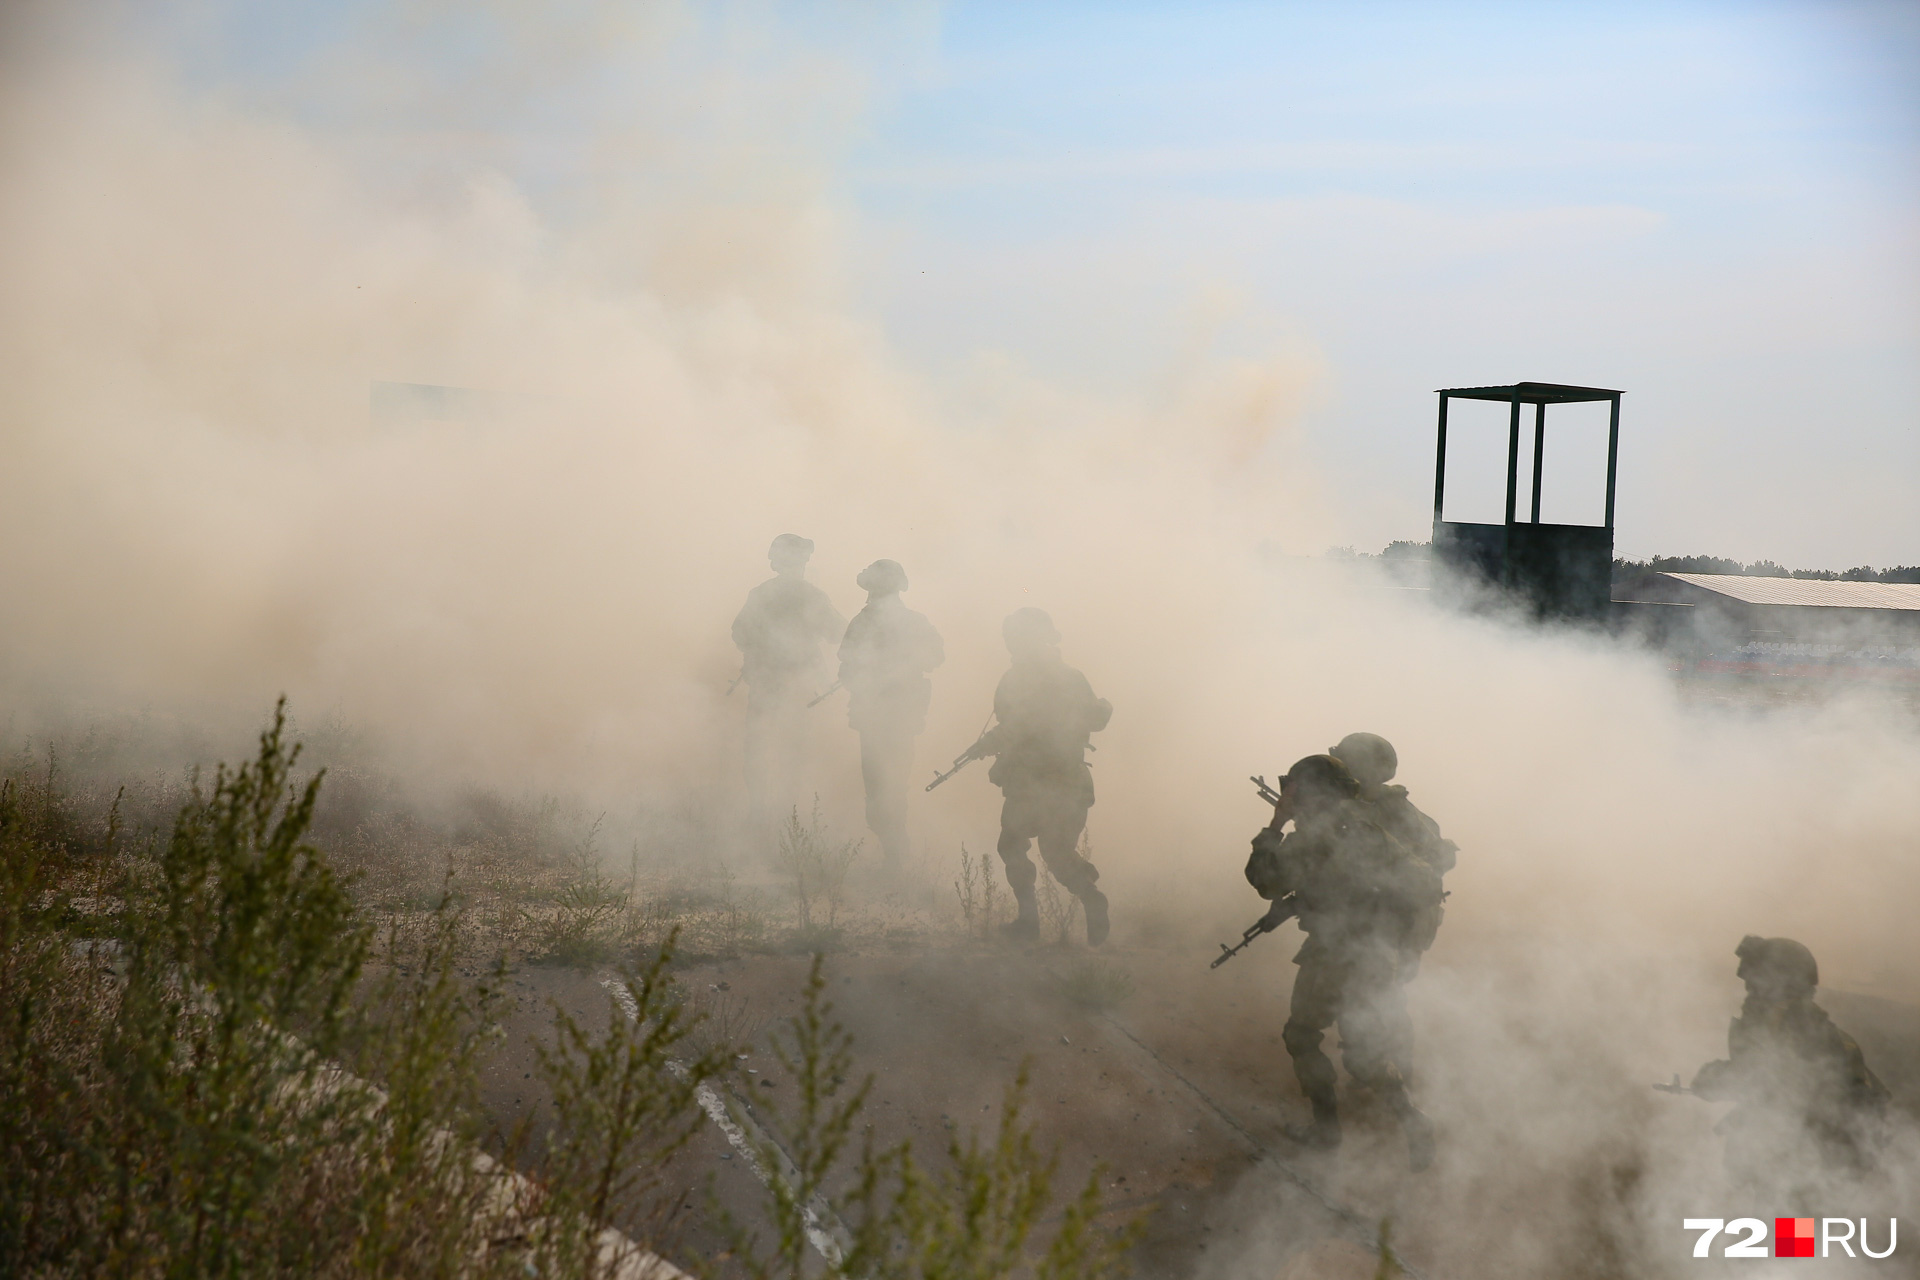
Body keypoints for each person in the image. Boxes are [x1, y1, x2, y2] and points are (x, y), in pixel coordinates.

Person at [1244, 754, 1446, 1171]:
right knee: (1364, 1058)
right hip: (1378, 954)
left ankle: (1326, 1131)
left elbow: (1264, 881)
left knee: (1301, 1035)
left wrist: (1276, 825)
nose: (1288, 794)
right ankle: (1415, 1124)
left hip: (1335, 955)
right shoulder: (1368, 825)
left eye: (1293, 788)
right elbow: (1353, 884)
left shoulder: (1314, 833)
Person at [1688, 936, 1888, 1196]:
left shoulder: (1800, 1027)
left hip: (1803, 1163)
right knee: (1776, 1229)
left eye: (1755, 984)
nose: (1748, 992)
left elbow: (1780, 1080)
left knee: (1793, 1233)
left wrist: (1720, 1079)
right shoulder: (1791, 1024)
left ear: (1780, 983)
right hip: (1792, 1162)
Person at [967, 608, 1112, 945]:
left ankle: (1030, 922)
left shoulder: (1024, 680)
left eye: (1015, 638)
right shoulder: (1069, 677)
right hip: (1062, 782)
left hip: (1036, 783)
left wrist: (991, 746)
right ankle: (1086, 901)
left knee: (1018, 846)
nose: (1010, 645)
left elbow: (1020, 726)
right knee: (1055, 853)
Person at [837, 559, 944, 871]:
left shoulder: (866, 621)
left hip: (887, 719)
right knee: (890, 786)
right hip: (888, 719)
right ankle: (896, 855)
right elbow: (848, 664)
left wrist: (896, 663)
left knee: (884, 789)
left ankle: (897, 859)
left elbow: (934, 656)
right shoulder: (910, 621)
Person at [731, 535, 844, 827]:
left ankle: (758, 812)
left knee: (758, 746)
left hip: (766, 682)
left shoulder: (761, 594)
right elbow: (837, 633)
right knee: (794, 748)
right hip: (798, 685)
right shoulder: (813, 596)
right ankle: (788, 813)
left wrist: (761, 647)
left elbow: (740, 633)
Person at [1327, 732, 1456, 977]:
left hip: (1389, 927)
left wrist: (1392, 870)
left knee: (1378, 1007)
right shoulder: (1341, 807)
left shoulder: (1395, 807)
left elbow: (1442, 857)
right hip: (1349, 924)